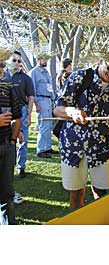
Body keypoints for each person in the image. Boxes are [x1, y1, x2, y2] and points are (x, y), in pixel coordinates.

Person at [54, 46, 109, 210]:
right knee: (76, 192)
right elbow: (57, 109)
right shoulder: (78, 77)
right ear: (101, 61)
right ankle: (77, 225)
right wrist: (72, 112)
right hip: (74, 146)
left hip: (102, 148)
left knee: (101, 192)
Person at [0, 48, 22, 224]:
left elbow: (16, 117)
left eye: (1, 65)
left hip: (6, 145)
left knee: (7, 194)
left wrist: (12, 142)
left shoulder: (8, 87)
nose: (0, 69)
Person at [6, 51, 35, 179]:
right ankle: (7, 167)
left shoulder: (26, 78)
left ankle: (21, 167)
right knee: (6, 140)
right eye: (14, 60)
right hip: (5, 112)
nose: (17, 63)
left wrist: (28, 114)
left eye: (19, 61)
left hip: (21, 112)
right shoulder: (3, 76)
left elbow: (31, 97)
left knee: (23, 141)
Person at [28, 52, 54, 158]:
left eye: (47, 60)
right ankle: (41, 149)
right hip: (41, 99)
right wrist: (36, 104)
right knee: (43, 125)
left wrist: (52, 101)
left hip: (48, 100)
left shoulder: (46, 72)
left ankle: (48, 147)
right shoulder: (34, 72)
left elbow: (50, 87)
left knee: (49, 125)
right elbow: (31, 90)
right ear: (39, 60)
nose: (46, 61)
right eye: (44, 59)